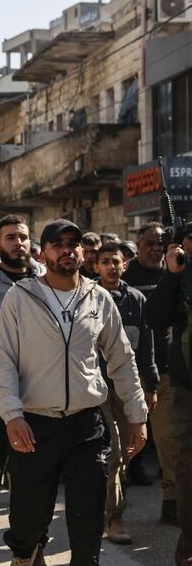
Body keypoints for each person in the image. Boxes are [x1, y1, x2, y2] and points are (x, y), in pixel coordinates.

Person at [0, 219, 148, 566]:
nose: (67, 249)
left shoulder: (98, 297)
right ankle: (25, 555)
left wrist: (137, 416)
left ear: (82, 252)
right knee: (28, 521)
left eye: (73, 243)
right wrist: (12, 415)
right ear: (43, 252)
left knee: (87, 521)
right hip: (34, 424)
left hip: (86, 425)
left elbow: (122, 360)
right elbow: (3, 361)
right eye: (58, 244)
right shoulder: (20, 297)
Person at [0, 214, 44, 555]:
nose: (19, 243)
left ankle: (27, 536)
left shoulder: (46, 280)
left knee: (31, 465)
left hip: (37, 390)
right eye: (11, 238)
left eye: (24, 237)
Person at [93, 242, 159, 545]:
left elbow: (145, 346)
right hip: (96, 389)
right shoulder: (87, 298)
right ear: (95, 267)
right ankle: (113, 516)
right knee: (114, 452)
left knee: (128, 451)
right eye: (104, 261)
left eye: (115, 261)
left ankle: (111, 506)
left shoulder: (136, 299)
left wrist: (150, 385)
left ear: (125, 265)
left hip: (127, 387)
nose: (110, 267)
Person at [124, 222, 181, 514]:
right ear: (137, 243)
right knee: (123, 442)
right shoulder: (124, 274)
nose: (156, 248)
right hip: (125, 375)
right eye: (150, 242)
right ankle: (113, 507)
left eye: (161, 243)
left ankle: (171, 500)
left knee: (168, 439)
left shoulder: (174, 271)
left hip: (163, 372)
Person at [144, 232, 192, 564]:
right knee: (188, 465)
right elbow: (156, 318)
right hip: (188, 384)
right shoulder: (180, 271)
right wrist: (172, 275)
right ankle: (189, 544)